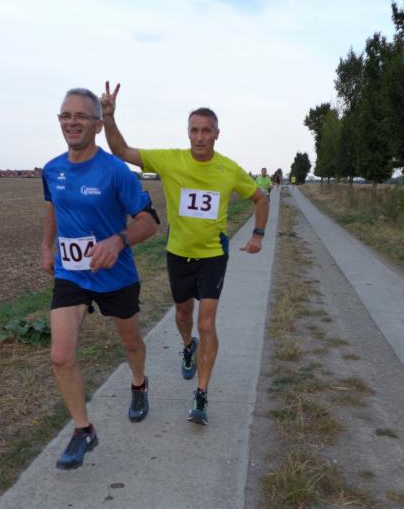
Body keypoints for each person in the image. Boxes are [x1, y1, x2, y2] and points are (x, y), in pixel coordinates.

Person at [101, 81, 269, 425]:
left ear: (217, 134)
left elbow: (260, 199)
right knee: (183, 315)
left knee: (206, 323)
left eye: (206, 131)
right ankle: (187, 345)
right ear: (188, 132)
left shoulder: (229, 169)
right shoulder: (170, 160)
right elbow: (121, 150)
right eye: (194, 130)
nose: (200, 137)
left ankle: (201, 395)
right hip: (178, 254)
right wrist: (108, 116)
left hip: (213, 255)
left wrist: (258, 234)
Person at [41, 87, 159, 469]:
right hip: (71, 273)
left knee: (130, 341)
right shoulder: (52, 169)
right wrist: (46, 247)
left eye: (80, 116)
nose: (71, 122)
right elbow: (53, 208)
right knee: (61, 356)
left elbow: (149, 222)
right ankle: (83, 429)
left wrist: (118, 240)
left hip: (115, 273)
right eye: (65, 115)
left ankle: (139, 383)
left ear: (96, 124)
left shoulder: (116, 171)